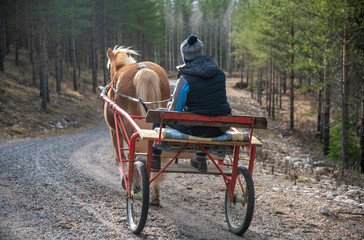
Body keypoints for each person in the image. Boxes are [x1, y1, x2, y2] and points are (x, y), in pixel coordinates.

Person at [151, 34, 231, 172]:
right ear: (201, 52)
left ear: (185, 57)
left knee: (159, 115)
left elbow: (174, 111)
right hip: (219, 128)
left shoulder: (185, 78)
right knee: (202, 118)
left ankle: (154, 157)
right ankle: (200, 159)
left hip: (197, 130)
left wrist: (170, 103)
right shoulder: (219, 73)